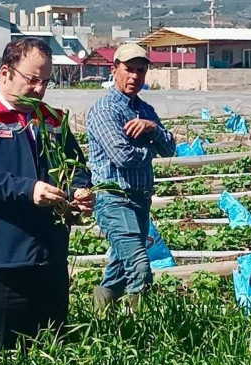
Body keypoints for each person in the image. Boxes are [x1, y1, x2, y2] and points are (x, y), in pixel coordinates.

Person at [0, 38, 93, 352]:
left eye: (46, 81)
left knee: (52, 352)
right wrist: (28, 190)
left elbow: (76, 165)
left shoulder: (52, 119)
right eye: (32, 80)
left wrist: (80, 189)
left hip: (49, 256)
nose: (40, 89)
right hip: (2, 259)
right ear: (5, 73)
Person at [87, 43, 176, 315]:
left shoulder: (145, 111)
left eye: (141, 70)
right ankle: (146, 331)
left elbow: (170, 148)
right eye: (128, 70)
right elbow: (122, 156)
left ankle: (100, 320)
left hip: (139, 199)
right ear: (114, 71)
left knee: (118, 267)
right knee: (138, 263)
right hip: (114, 199)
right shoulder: (105, 110)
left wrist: (153, 129)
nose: (134, 76)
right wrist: (150, 147)